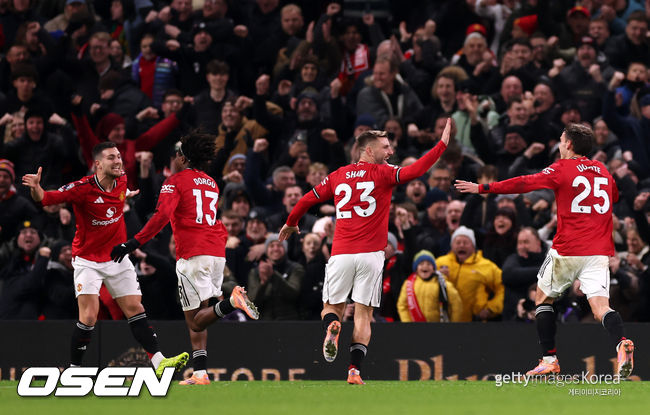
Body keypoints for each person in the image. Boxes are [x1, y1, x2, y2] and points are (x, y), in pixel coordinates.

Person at [279, 120, 452, 385]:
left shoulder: (337, 176)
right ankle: (354, 370)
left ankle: (332, 326)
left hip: (341, 253)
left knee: (332, 308)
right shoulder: (384, 173)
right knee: (364, 314)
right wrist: (441, 145)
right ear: (369, 151)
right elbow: (417, 169)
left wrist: (291, 222)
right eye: (385, 147)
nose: (390, 151)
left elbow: (307, 200)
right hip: (371, 256)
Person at [455, 123, 635, 378]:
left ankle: (549, 360)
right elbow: (614, 196)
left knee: (543, 298)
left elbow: (525, 182)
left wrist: (484, 188)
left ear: (569, 144)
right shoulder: (603, 170)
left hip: (568, 249)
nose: (560, 145)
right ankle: (621, 343)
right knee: (600, 308)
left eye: (561, 141)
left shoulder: (562, 168)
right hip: (598, 252)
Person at [21, 142, 188, 375]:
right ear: (98, 164)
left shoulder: (122, 180)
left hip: (116, 256)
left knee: (135, 307)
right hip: (87, 259)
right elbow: (46, 198)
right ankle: (74, 370)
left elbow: (116, 198)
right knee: (89, 316)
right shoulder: (82, 188)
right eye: (112, 157)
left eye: (118, 156)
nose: (118, 161)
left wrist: (126, 196)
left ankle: (159, 361)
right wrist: (36, 188)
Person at [109, 132, 259, 386]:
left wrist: (134, 242)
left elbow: (161, 216)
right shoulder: (211, 182)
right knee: (201, 313)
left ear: (182, 157)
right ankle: (200, 373)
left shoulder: (175, 181)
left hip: (193, 254)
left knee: (195, 322)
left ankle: (232, 302)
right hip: (215, 252)